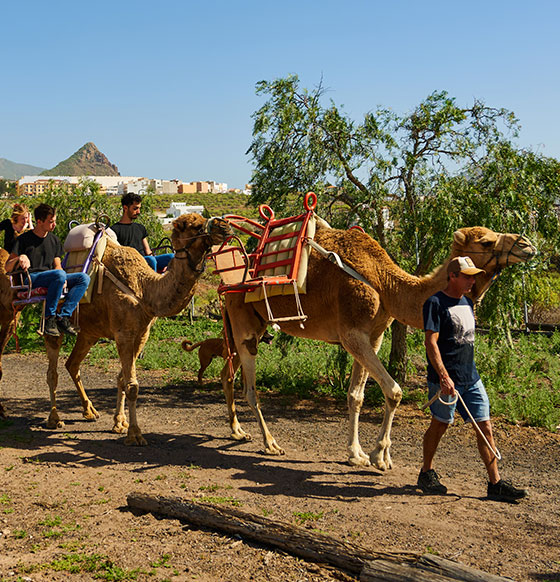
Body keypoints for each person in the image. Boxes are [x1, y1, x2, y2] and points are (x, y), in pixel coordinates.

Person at [417, 256, 528, 503]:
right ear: (452, 276)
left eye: (473, 276)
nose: (472, 280)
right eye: (467, 276)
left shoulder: (467, 302)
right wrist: (444, 376)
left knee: (485, 427)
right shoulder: (435, 303)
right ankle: (426, 472)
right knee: (440, 425)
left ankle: (495, 483)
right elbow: (430, 342)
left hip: (471, 378)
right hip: (446, 381)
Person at [5, 203, 90, 338]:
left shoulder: (54, 240)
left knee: (83, 278)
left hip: (53, 277)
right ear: (39, 222)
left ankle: (63, 317)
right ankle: (49, 318)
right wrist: (20, 257)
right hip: (31, 278)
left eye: (54, 221)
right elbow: (7, 267)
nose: (54, 225)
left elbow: (57, 265)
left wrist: (62, 278)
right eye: (51, 222)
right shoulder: (23, 240)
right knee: (59, 275)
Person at [111, 192, 173, 272]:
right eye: (135, 208)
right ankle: (154, 281)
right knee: (151, 260)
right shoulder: (114, 230)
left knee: (172, 257)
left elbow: (148, 251)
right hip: (131, 262)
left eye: (139, 208)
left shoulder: (140, 228)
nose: (138, 212)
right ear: (125, 208)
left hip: (146, 259)